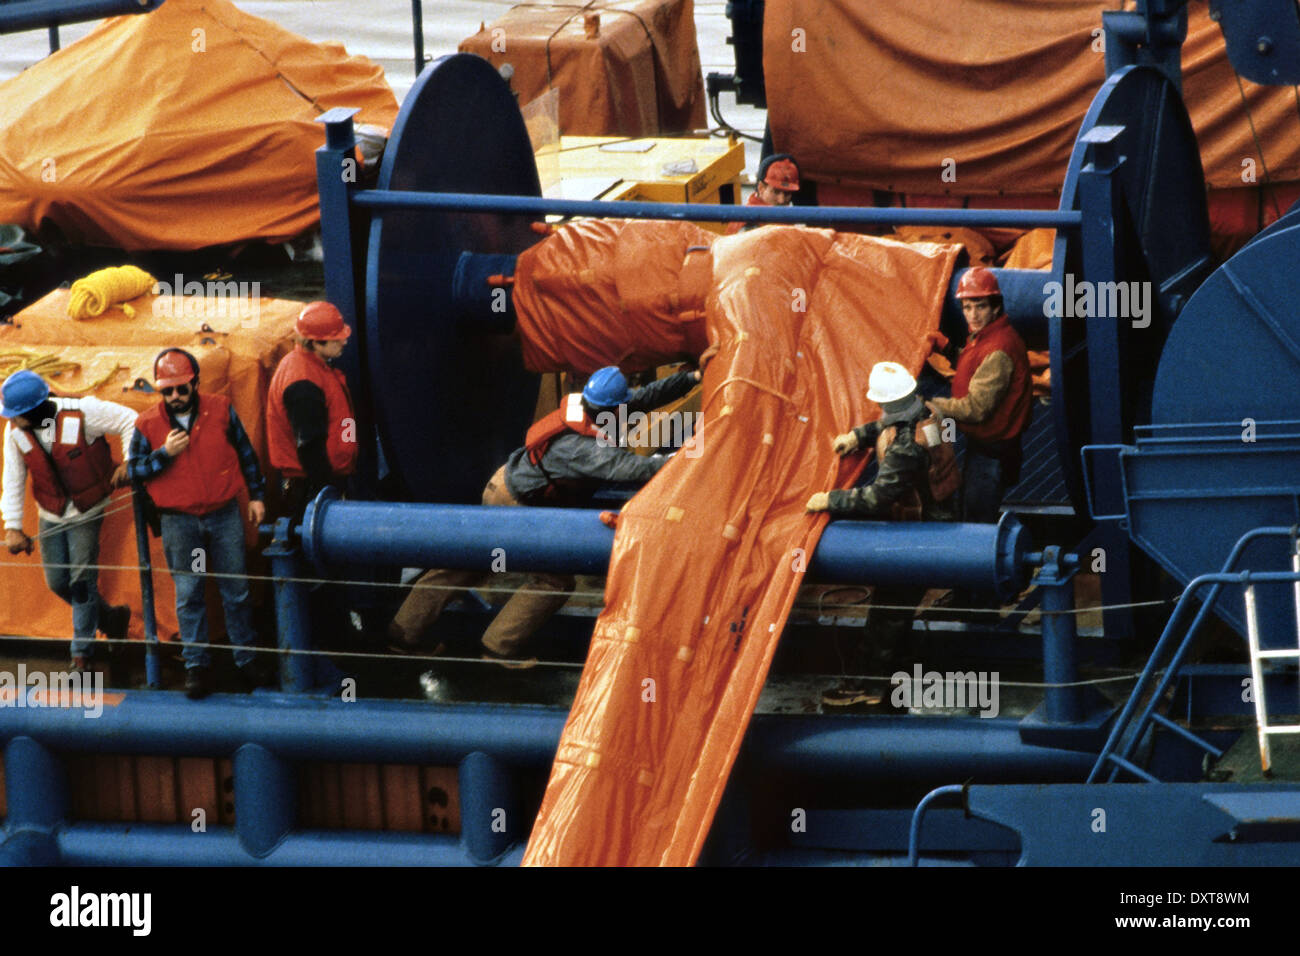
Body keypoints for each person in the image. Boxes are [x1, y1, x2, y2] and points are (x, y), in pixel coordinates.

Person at [391, 364, 701, 665]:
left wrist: (693, 378)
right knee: (555, 581)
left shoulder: (588, 406)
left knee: (466, 563)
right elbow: (638, 469)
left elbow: (644, 397)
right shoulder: (584, 448)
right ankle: (498, 648)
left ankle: (403, 633)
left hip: (503, 486)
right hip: (514, 506)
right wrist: (689, 456)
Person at [806, 361, 958, 707]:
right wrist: (858, 436)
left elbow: (877, 497)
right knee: (898, 611)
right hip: (942, 519)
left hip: (918, 535)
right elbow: (889, 424)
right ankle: (895, 676)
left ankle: (869, 688)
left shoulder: (906, 447)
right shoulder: (929, 412)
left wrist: (830, 499)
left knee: (886, 612)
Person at [129, 349, 274, 699]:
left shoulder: (222, 409)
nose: (175, 397)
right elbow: (133, 470)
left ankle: (246, 659)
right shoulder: (147, 425)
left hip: (223, 516)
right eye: (167, 391)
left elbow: (245, 453)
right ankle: (196, 665)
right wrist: (164, 454)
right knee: (190, 592)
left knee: (235, 590)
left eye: (181, 388)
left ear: (195, 383)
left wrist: (257, 496)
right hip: (181, 523)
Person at [1, 369, 133, 672]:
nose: (10, 419)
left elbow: (129, 419)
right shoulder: (15, 433)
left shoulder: (84, 412)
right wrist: (13, 525)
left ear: (32, 410)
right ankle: (112, 619)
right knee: (58, 582)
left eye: (15, 414)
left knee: (81, 582)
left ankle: (81, 656)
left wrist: (129, 460)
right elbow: (14, 478)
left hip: (87, 510)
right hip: (51, 513)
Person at [926, 266, 1032, 525]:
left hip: (992, 455)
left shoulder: (999, 349)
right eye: (967, 307)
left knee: (975, 524)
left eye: (980, 307)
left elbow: (976, 408)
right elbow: (973, 363)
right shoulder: (987, 336)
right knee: (970, 510)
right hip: (984, 448)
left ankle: (977, 563)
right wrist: (948, 348)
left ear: (995, 307)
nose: (972, 315)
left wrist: (931, 404)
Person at [266, 301, 358, 516]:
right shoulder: (303, 382)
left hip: (325, 479)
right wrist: (327, 494)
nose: (344, 341)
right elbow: (310, 446)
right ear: (315, 343)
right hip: (311, 488)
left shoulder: (314, 366)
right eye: (337, 338)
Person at [725, 153, 800, 235]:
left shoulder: (782, 217)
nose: (781, 200)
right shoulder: (747, 222)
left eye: (787, 193)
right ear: (761, 188)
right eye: (776, 192)